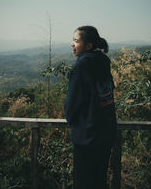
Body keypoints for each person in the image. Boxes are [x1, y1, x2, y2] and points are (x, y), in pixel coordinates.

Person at [64, 26, 117, 189]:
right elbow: (109, 90)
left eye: (76, 41)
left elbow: (71, 107)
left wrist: (73, 120)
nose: (72, 44)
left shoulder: (81, 67)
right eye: (72, 40)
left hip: (87, 137)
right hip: (106, 134)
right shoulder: (104, 61)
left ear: (88, 46)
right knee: (99, 181)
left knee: (83, 183)